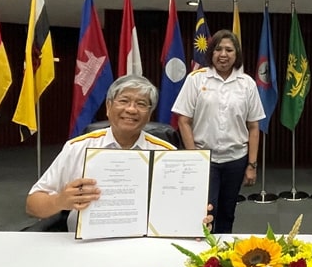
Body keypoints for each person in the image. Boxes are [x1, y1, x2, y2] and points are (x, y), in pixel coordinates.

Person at [28, 74, 201, 231]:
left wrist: (196, 216)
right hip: (85, 246)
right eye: (124, 101)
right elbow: (32, 204)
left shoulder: (166, 154)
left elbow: (184, 206)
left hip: (145, 245)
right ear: (108, 107)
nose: (131, 109)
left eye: (141, 104)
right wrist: (59, 201)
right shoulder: (78, 148)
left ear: (149, 115)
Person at [173, 30, 265, 234]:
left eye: (229, 50)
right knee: (206, 211)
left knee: (228, 211)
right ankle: (204, 258)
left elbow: (253, 127)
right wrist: (194, 158)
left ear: (236, 54)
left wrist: (252, 164)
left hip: (236, 159)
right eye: (218, 49)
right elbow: (184, 121)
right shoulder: (196, 79)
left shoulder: (247, 83)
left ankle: (222, 257)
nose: (223, 54)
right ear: (211, 53)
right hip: (205, 159)